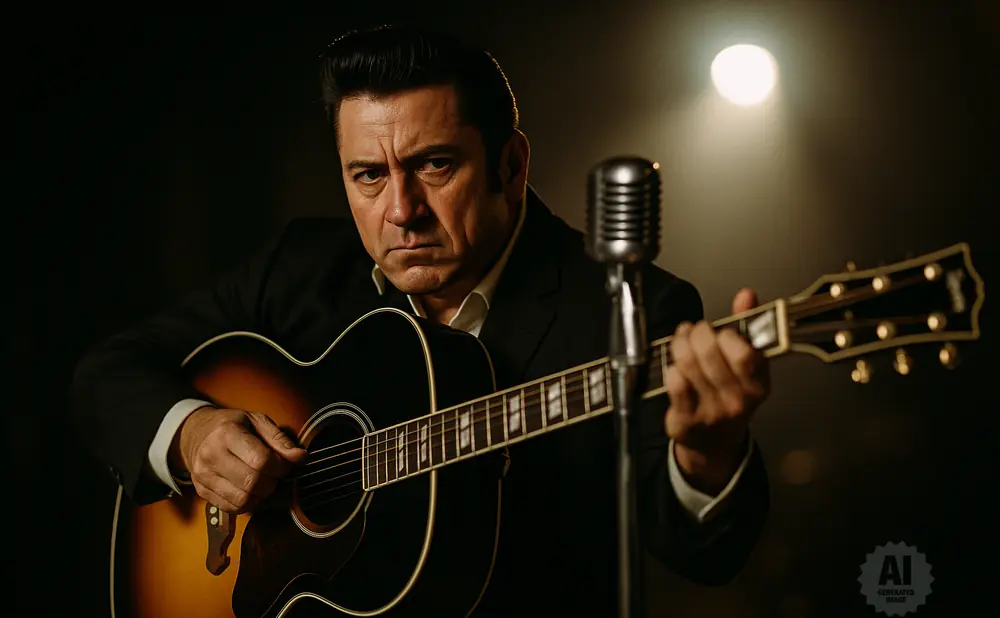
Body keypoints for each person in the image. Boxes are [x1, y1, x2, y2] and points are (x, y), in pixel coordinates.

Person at [70, 24, 770, 617]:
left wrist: (707, 455)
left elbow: (706, 557)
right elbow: (107, 373)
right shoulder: (304, 268)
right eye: (368, 175)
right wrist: (194, 434)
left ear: (512, 165)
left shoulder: (626, 311)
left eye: (435, 166)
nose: (401, 210)